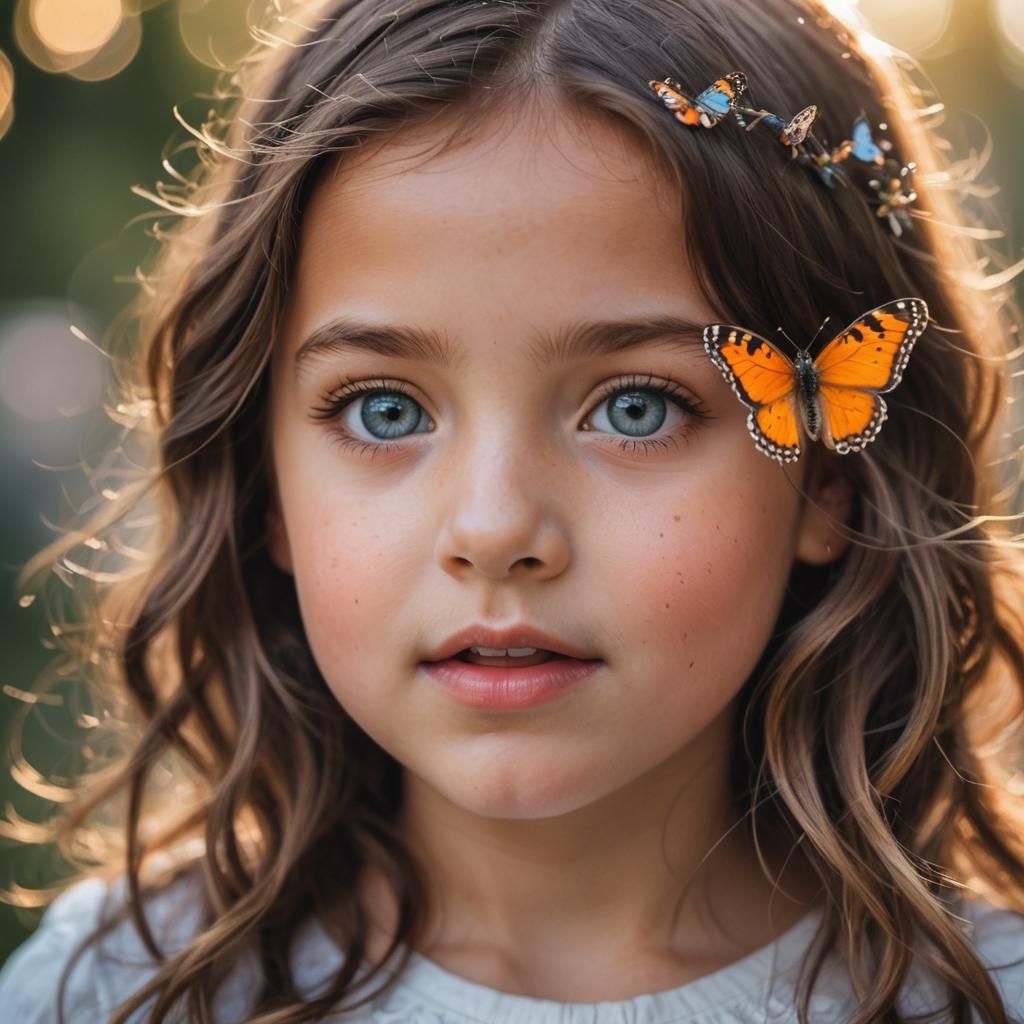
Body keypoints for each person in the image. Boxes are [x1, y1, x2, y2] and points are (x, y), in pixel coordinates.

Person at [2, 0, 1024, 1020]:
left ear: (830, 475)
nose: (494, 529)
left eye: (636, 407)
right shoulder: (115, 992)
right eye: (383, 408)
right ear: (265, 481)